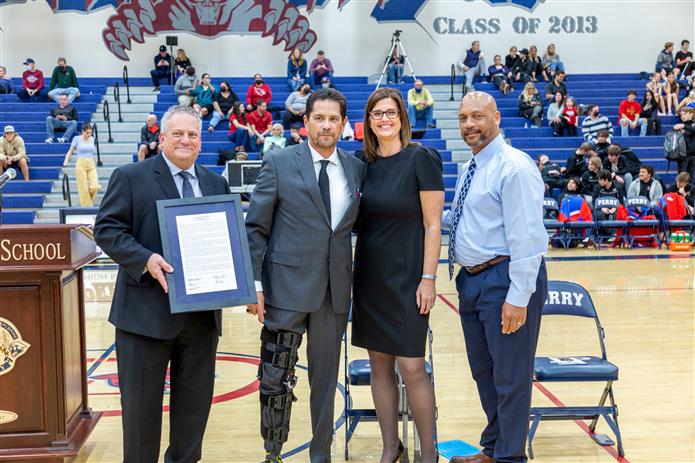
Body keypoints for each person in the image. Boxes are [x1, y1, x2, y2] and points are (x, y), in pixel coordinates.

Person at [94, 105, 229, 463]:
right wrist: (145, 259)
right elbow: (106, 229)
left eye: (193, 135)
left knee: (193, 414)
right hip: (144, 317)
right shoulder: (131, 176)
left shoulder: (216, 183)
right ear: (162, 137)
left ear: (201, 140)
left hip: (200, 319)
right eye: (178, 134)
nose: (186, 140)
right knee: (140, 416)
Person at [245, 88, 366, 463]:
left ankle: (320, 454)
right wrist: (255, 284)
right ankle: (273, 451)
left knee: (325, 382)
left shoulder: (356, 167)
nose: (326, 125)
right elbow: (256, 228)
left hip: (334, 291)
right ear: (306, 121)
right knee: (276, 375)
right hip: (285, 288)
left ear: (344, 124)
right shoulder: (279, 162)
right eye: (319, 118)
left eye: (334, 119)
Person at [445, 91, 547, 463]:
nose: (469, 125)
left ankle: (509, 457)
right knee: (485, 374)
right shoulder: (471, 166)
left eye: (477, 117)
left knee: (510, 376)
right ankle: (493, 448)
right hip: (472, 281)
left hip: (505, 279)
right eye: (463, 118)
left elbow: (528, 237)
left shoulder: (514, 167)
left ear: (496, 118)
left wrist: (519, 296)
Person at [351, 87, 443, 463]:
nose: (384, 119)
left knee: (412, 365)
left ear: (402, 118)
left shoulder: (421, 158)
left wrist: (429, 278)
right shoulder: (362, 164)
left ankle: (429, 453)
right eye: (377, 114)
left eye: (390, 113)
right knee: (379, 365)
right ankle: (391, 447)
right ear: (368, 123)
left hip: (409, 277)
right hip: (371, 275)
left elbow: (433, 224)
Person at [62, 122, 100, 206]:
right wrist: (66, 160)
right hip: (81, 164)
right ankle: (88, 208)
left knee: (95, 187)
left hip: (91, 163)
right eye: (87, 132)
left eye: (90, 132)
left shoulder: (92, 139)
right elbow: (70, 151)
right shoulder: (76, 139)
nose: (89, 134)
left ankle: (88, 203)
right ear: (83, 131)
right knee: (84, 190)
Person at [673, 107, 695, 178]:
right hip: (682, 156)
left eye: (685, 114)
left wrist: (683, 126)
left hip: (693, 155)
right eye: (681, 114)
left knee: (690, 178)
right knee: (682, 177)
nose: (682, 116)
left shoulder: (690, 125)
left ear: (691, 114)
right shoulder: (679, 126)